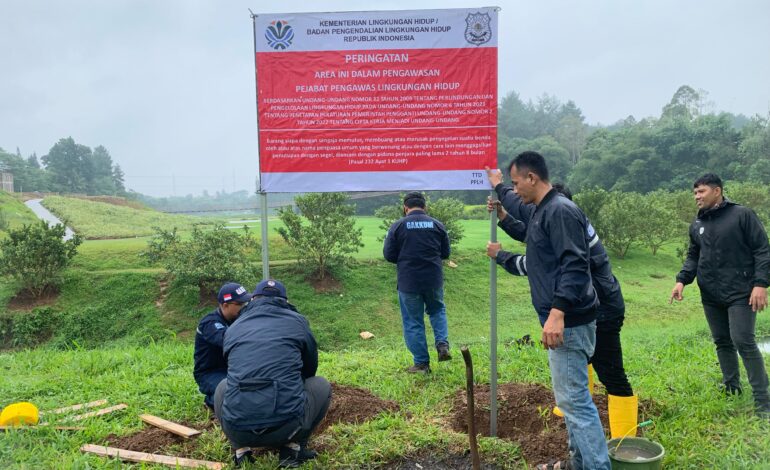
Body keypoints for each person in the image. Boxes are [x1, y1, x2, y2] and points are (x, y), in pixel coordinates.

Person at [485, 178, 637, 439]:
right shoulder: (560, 219)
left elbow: (532, 264)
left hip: (600, 309)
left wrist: (501, 256)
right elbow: (531, 232)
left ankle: (625, 439)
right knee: (580, 359)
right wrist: (504, 215)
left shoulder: (564, 225)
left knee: (611, 371)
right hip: (588, 305)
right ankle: (575, 409)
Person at [491, 152, 610, 470]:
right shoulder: (544, 210)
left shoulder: (559, 211)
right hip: (564, 319)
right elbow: (521, 219)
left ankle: (597, 466)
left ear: (532, 178)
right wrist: (501, 201)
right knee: (571, 401)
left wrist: (557, 313)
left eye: (516, 183)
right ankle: (580, 463)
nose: (515, 190)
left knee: (575, 402)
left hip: (568, 321)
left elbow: (574, 264)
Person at [670, 173, 770, 417]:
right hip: (711, 293)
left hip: (741, 292)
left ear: (717, 191)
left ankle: (763, 402)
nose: (696, 197)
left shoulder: (742, 215)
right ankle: (731, 387)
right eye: (694, 193)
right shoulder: (698, 223)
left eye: (701, 192)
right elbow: (694, 255)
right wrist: (682, 280)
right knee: (722, 341)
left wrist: (761, 284)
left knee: (743, 340)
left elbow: (762, 249)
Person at [214, 279, 332, 468]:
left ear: (253, 300)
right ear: (285, 301)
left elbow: (233, 368)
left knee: (222, 387)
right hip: (288, 427)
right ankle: (292, 449)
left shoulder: (233, 328)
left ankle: (240, 451)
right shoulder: (297, 321)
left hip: (238, 429)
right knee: (321, 385)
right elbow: (310, 369)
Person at [383, 191, 452, 374]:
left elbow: (389, 255)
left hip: (409, 282)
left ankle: (421, 364)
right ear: (425, 207)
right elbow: (445, 253)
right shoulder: (437, 225)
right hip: (433, 280)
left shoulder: (397, 226)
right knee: (437, 311)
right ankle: (442, 344)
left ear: (405, 207)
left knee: (413, 321)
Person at [193, 282, 252, 411]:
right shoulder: (210, 323)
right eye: (240, 304)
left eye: (245, 303)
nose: (244, 307)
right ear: (225, 305)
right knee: (231, 396)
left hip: (233, 370)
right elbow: (229, 342)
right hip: (211, 373)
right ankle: (211, 400)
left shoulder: (238, 319)